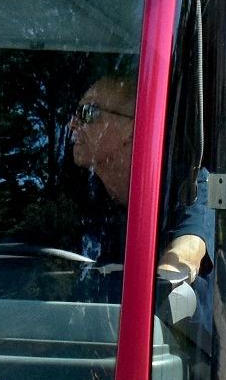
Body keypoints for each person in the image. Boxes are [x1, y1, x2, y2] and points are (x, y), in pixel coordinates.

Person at [66, 74, 211, 288]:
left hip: (160, 320)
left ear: (131, 128)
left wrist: (164, 281)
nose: (72, 125)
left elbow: (187, 252)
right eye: (75, 114)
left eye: (88, 113)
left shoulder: (188, 184)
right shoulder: (83, 191)